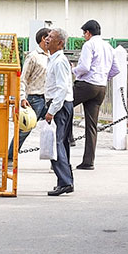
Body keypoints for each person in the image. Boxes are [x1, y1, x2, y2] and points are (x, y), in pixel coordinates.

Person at [71, 19, 116, 170]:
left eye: (84, 34)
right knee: (92, 125)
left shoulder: (89, 45)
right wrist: (103, 77)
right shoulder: (108, 46)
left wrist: (73, 71)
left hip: (86, 84)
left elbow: (84, 66)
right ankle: (88, 160)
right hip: (101, 87)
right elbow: (115, 69)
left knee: (64, 104)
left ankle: (69, 138)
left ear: (88, 33)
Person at [42, 28, 75, 195]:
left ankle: (66, 181)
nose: (47, 39)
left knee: (56, 144)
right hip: (61, 104)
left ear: (60, 43)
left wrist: (52, 111)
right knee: (62, 144)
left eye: (51, 37)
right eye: (47, 36)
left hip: (59, 106)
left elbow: (62, 89)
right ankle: (64, 180)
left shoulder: (59, 61)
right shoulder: (53, 59)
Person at [21, 27, 50, 121]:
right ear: (43, 38)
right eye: (50, 37)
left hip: (48, 98)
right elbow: (23, 78)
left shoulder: (52, 56)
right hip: (34, 98)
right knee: (26, 128)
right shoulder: (33, 56)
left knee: (49, 128)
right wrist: (22, 98)